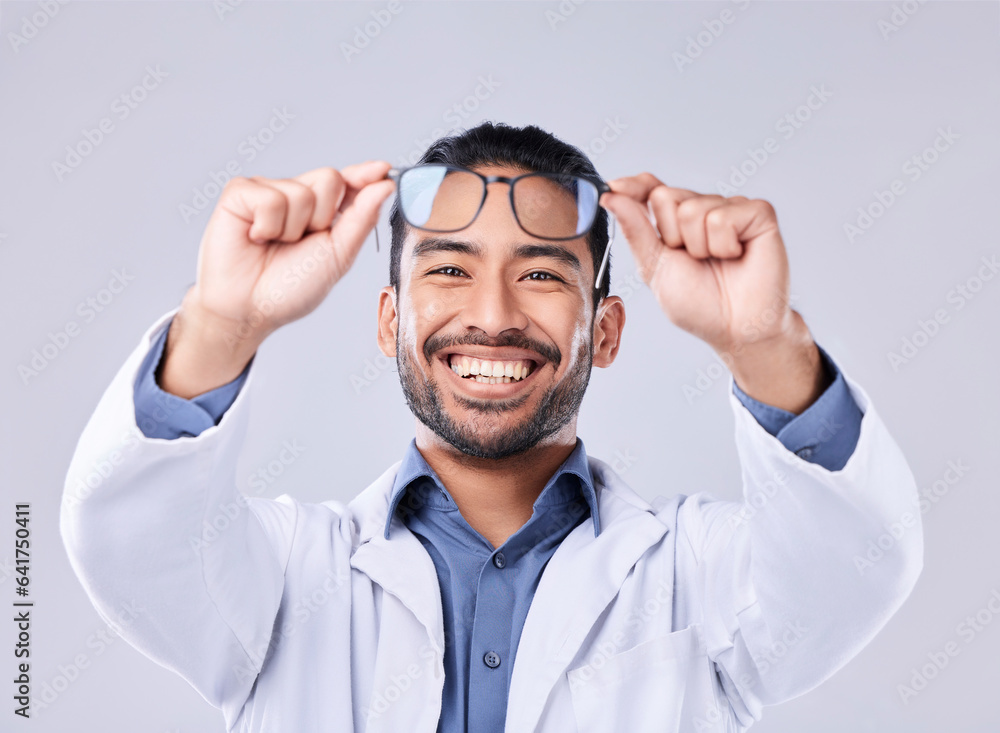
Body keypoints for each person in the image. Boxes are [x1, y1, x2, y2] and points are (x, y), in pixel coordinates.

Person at [61, 122, 922, 732]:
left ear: (608, 330)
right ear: (387, 320)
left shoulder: (691, 577)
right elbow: (133, 540)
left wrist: (763, 344)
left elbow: (853, 568)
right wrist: (221, 323)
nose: (492, 315)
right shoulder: (286, 578)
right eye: (447, 267)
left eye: (542, 273)